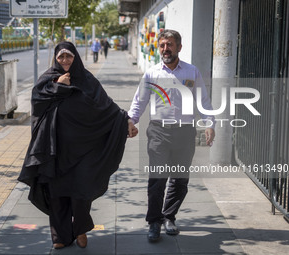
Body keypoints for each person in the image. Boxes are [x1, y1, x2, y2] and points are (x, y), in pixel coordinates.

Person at [18, 42, 138, 249]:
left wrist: (126, 120)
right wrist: (59, 86)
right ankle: (60, 237)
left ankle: (80, 229)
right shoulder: (47, 80)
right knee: (57, 194)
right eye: (61, 57)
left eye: (69, 57)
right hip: (55, 149)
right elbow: (37, 103)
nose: (65, 61)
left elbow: (107, 106)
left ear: (76, 58)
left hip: (84, 149)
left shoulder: (87, 80)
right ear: (55, 59)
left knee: (81, 193)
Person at [128, 30, 215, 242]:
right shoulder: (152, 73)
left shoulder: (191, 72)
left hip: (185, 132)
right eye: (162, 45)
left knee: (180, 180)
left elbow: (202, 100)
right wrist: (131, 120)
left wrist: (209, 124)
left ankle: (169, 216)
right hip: (159, 131)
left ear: (179, 47)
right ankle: (154, 222)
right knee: (158, 179)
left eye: (170, 45)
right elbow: (139, 101)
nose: (165, 49)